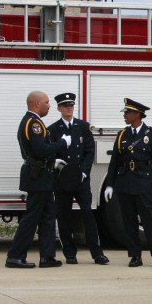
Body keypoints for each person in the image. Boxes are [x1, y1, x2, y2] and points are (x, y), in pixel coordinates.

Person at [5, 91, 71, 269]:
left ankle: (47, 256)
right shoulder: (33, 123)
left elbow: (37, 152)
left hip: (42, 175)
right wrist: (63, 143)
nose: (49, 105)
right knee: (32, 218)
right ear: (36, 103)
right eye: (47, 102)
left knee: (48, 217)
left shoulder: (33, 122)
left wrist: (53, 161)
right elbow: (41, 149)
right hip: (38, 177)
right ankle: (15, 256)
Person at [103, 98, 152, 267]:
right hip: (125, 181)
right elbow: (114, 162)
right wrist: (110, 184)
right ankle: (135, 255)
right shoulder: (122, 135)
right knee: (129, 220)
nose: (125, 115)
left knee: (149, 219)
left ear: (137, 114)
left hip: (142, 181)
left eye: (127, 112)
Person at [48, 92, 109, 265]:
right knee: (64, 216)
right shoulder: (53, 129)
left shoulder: (83, 127)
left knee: (88, 215)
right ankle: (70, 253)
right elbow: (51, 153)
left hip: (81, 180)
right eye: (65, 105)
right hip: (62, 180)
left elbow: (89, 151)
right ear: (59, 108)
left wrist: (83, 172)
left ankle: (97, 253)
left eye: (71, 105)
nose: (69, 108)